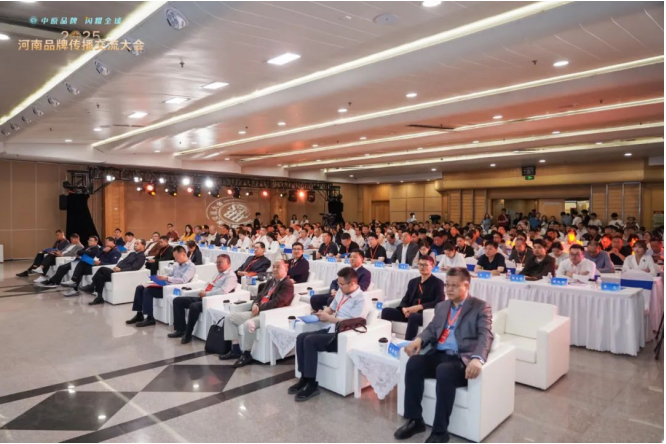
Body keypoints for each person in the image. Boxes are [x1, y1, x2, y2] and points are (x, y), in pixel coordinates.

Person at [394, 267, 493, 443]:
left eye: (454, 285)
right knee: (414, 363)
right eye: (447, 285)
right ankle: (415, 420)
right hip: (438, 354)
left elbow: (485, 335)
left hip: (460, 359)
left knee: (444, 371)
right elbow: (432, 329)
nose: (449, 289)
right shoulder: (442, 306)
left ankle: (440, 432)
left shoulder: (480, 307)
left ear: (466, 285)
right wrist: (419, 340)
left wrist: (477, 359)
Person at [289, 267, 369, 402]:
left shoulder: (361, 299)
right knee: (301, 337)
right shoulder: (342, 292)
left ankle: (312, 384)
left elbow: (352, 323)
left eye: (341, 284)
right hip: (332, 329)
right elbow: (331, 308)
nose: (339, 287)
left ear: (352, 284)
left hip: (344, 335)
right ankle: (304, 377)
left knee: (310, 340)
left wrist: (329, 318)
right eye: (338, 283)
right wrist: (321, 314)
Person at [220, 260, 294, 367]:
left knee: (249, 324)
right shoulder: (271, 281)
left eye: (278, 267)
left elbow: (278, 302)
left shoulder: (287, 284)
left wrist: (259, 308)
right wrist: (255, 304)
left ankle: (246, 354)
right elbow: (259, 296)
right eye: (273, 267)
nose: (274, 269)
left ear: (286, 269)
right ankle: (235, 350)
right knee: (229, 318)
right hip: (258, 311)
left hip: (269, 314)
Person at [170, 254, 237, 344]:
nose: (218, 264)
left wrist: (206, 294)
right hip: (205, 297)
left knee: (194, 306)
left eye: (220, 262)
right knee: (178, 301)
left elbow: (222, 291)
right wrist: (203, 290)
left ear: (229, 263)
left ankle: (188, 334)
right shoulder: (218, 273)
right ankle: (180, 329)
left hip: (214, 300)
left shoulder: (231, 276)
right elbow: (210, 284)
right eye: (217, 262)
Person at [126, 245, 196, 327]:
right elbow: (170, 275)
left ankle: (150, 318)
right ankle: (139, 314)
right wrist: (161, 278)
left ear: (183, 254)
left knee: (147, 291)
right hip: (165, 284)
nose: (175, 259)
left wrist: (167, 278)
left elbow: (184, 280)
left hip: (172, 289)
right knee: (140, 287)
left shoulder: (191, 266)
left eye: (176, 257)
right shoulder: (177, 265)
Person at [381, 256, 444, 340]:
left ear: (432, 266)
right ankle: (385, 339)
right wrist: (404, 308)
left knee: (413, 316)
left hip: (423, 314)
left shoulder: (438, 283)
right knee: (386, 311)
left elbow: (439, 301)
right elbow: (406, 298)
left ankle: (408, 343)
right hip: (408, 312)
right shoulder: (413, 282)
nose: (422, 267)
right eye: (420, 264)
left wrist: (419, 307)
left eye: (425, 265)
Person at [86, 239, 148, 305]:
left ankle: (92, 286)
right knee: (100, 277)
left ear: (143, 245)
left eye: (137, 244)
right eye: (135, 243)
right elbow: (122, 261)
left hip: (124, 274)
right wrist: (117, 267)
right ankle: (99, 297)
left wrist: (120, 270)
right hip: (118, 272)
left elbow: (134, 268)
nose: (135, 245)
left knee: (102, 269)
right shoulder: (132, 253)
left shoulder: (141, 256)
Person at [36, 236, 101, 289]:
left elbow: (85, 254)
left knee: (64, 267)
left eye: (91, 240)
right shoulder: (87, 247)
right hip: (77, 260)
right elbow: (78, 252)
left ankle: (54, 282)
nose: (89, 241)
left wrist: (83, 253)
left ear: (96, 242)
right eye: (89, 240)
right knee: (61, 267)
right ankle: (53, 281)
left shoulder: (96, 248)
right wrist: (83, 253)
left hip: (84, 263)